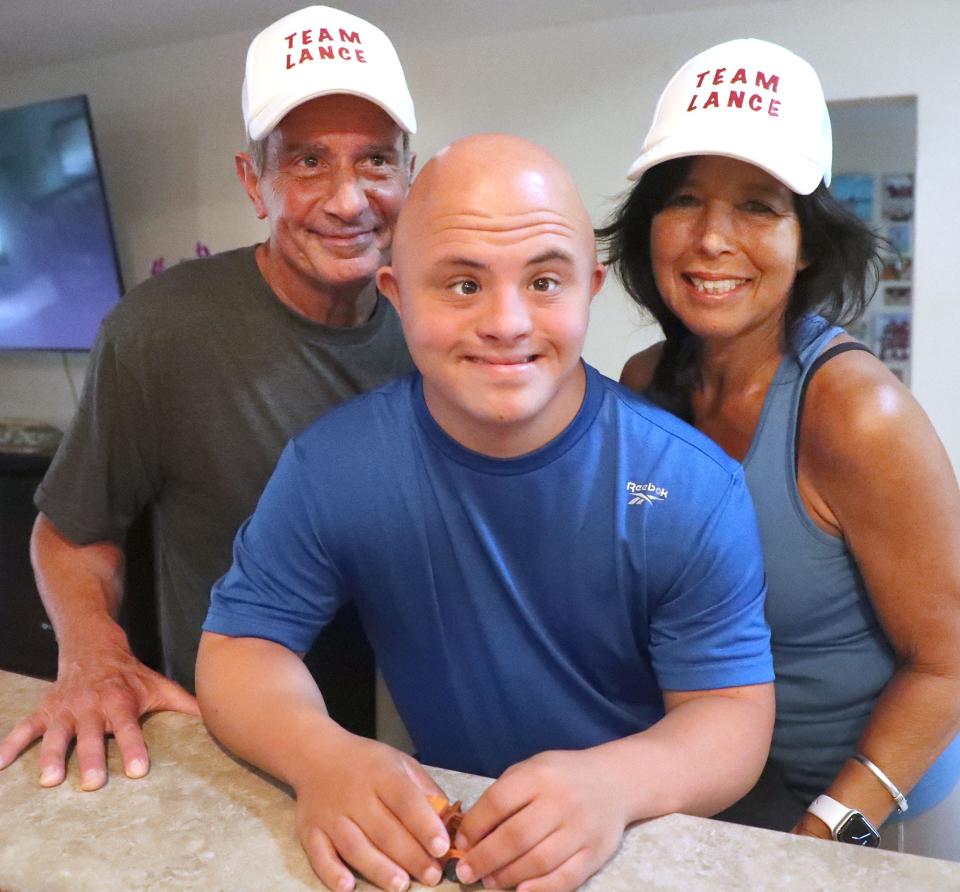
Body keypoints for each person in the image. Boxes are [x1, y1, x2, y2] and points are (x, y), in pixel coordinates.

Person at [196, 133, 776, 892]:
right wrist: (321, 758)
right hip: (444, 848)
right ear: (398, 294)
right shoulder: (334, 466)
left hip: (639, 843)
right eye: (463, 285)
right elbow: (242, 645)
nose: (507, 322)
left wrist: (614, 786)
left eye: (543, 282)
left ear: (590, 289)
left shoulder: (689, 487)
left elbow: (730, 712)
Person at [0, 5, 416, 791]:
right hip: (220, 750)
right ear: (252, 181)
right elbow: (72, 529)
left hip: (403, 747)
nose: (348, 199)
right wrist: (93, 653)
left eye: (375, 161)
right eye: (306, 162)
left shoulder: (444, 337)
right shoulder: (160, 331)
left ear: (409, 176)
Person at [599, 38, 960, 853]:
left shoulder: (857, 414)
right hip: (725, 787)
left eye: (758, 206)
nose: (711, 240)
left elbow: (949, 665)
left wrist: (824, 834)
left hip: (872, 804)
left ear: (807, 241)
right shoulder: (643, 381)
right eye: (684, 199)